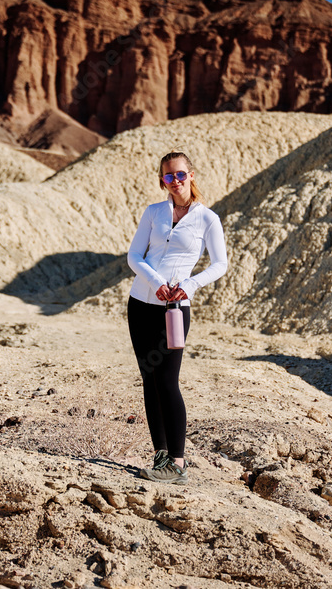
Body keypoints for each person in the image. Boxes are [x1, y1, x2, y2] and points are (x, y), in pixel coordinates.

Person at [126, 151, 228, 484]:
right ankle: (161, 456)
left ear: (192, 175)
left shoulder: (207, 219)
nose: (176, 181)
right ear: (162, 181)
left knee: (168, 380)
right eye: (169, 177)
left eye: (181, 174)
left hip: (175, 310)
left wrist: (188, 285)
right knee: (149, 379)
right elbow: (134, 256)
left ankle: (178, 463)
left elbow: (219, 264)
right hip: (141, 303)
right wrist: (156, 283)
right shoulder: (154, 212)